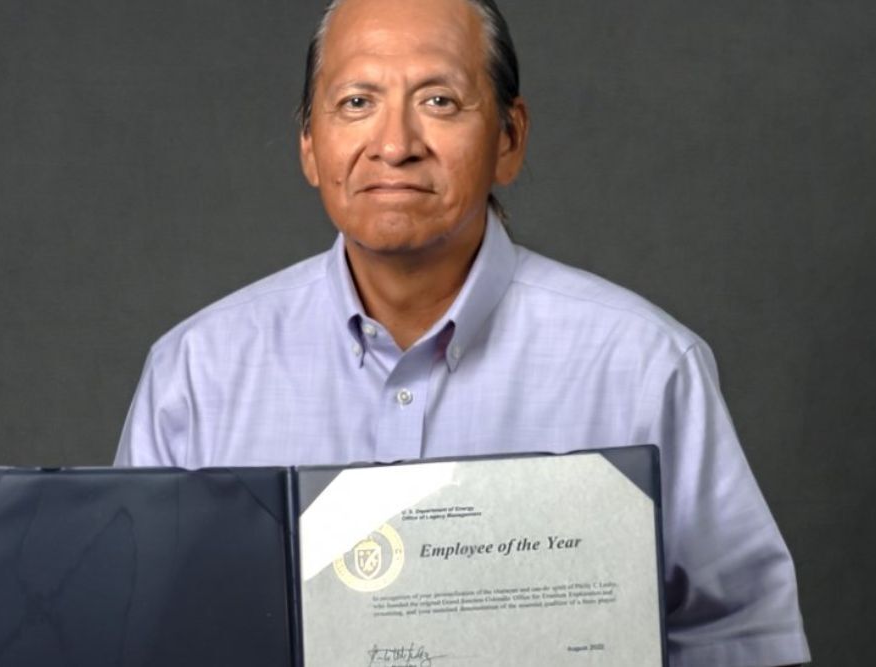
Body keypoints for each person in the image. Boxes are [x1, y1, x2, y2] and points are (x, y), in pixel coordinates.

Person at [115, 0, 811, 664]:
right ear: (308, 144)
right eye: (356, 101)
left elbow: (744, 639)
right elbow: (128, 631)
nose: (395, 145)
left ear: (509, 138)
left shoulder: (643, 367)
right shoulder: (196, 375)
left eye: (439, 100)